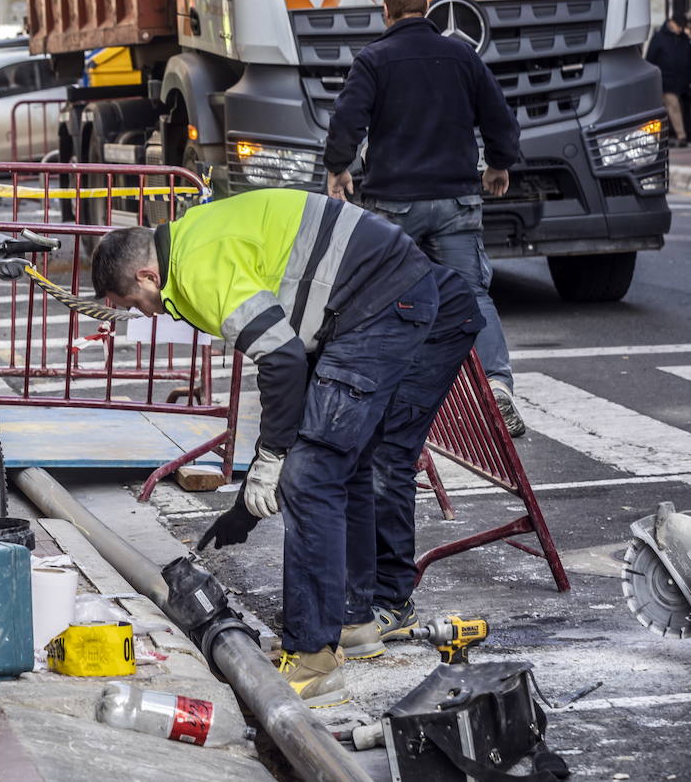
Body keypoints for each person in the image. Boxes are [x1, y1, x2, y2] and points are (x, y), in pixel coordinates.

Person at [91, 189, 480, 706]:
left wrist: (270, 459)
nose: (147, 312)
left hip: (380, 301)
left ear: (146, 275)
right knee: (344, 463)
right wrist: (263, 471)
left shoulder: (198, 268)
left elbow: (282, 359)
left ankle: (313, 658)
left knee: (309, 478)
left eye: (135, 304)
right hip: (378, 294)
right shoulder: (192, 240)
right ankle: (354, 621)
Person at [323, 0, 526, 438]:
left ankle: (376, 394)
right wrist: (498, 164)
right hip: (457, 199)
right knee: (473, 293)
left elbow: (347, 120)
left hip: (394, 203)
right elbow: (500, 118)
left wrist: (339, 167)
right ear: (428, 8)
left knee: (379, 296)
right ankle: (497, 385)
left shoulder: (373, 60)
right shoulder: (462, 57)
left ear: (386, 12)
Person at [645, 13, 691, 148]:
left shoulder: (683, 39)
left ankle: (677, 134)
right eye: (679, 26)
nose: (680, 30)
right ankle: (681, 135)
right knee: (673, 106)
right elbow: (651, 58)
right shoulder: (659, 38)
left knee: (679, 108)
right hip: (666, 81)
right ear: (671, 23)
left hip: (682, 82)